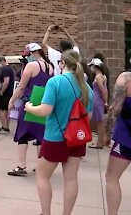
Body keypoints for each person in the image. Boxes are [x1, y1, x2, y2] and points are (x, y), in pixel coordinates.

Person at [24, 50, 93, 215]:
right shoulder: (87, 88)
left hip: (55, 137)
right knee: (71, 179)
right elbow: (88, 116)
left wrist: (29, 107)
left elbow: (45, 110)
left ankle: (46, 213)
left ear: (62, 63)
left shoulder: (55, 82)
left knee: (42, 175)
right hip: (77, 139)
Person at [7, 43, 54, 176]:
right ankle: (41, 165)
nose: (26, 58)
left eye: (27, 55)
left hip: (29, 103)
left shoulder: (31, 66)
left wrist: (11, 100)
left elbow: (21, 87)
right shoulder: (50, 67)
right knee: (40, 135)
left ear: (34, 53)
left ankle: (21, 166)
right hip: (44, 104)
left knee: (22, 134)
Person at [104, 71, 131, 215]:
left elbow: (115, 109)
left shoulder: (126, 79)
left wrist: (107, 133)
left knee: (111, 177)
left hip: (126, 138)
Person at [87, 58, 108, 149]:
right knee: (100, 121)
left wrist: (105, 101)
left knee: (99, 122)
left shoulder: (98, 77)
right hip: (99, 100)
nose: (91, 68)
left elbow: (102, 90)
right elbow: (105, 90)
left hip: (97, 100)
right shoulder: (103, 76)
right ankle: (101, 141)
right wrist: (105, 100)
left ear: (96, 67)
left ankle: (99, 143)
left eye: (92, 66)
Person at [0, 56, 15, 135]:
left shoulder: (5, 69)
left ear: (3, 61)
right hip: (10, 92)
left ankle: (4, 127)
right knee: (7, 110)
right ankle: (6, 126)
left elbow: (6, 81)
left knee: (0, 109)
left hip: (5, 92)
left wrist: (1, 91)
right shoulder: (10, 68)